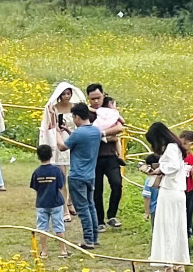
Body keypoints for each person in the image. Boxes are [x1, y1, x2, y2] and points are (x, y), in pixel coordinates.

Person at [144, 121, 191, 272]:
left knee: (166, 226)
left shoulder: (171, 147)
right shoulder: (176, 147)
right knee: (177, 226)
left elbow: (172, 167)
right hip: (178, 191)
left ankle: (168, 264)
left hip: (170, 191)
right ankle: (178, 262)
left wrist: (157, 171)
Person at [87, 85, 127, 229]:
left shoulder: (109, 112)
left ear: (103, 96)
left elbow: (119, 128)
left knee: (117, 185)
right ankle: (99, 221)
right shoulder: (87, 113)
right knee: (96, 190)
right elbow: (86, 133)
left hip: (110, 156)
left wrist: (100, 134)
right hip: (94, 157)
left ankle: (112, 215)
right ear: (88, 99)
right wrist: (107, 135)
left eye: (98, 97)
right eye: (93, 99)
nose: (96, 101)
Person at [64, 103, 104, 248]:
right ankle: (94, 237)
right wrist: (69, 131)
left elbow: (63, 147)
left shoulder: (79, 133)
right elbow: (81, 141)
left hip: (77, 176)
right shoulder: (96, 131)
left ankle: (88, 240)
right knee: (90, 206)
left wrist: (57, 133)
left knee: (82, 209)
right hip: (90, 175)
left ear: (77, 117)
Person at [30, 144, 67, 246]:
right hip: (56, 203)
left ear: (38, 156)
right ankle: (63, 250)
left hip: (41, 203)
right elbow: (61, 186)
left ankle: (44, 252)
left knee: (42, 228)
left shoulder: (36, 172)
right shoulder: (57, 171)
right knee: (59, 228)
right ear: (51, 155)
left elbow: (35, 187)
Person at [39, 82, 84, 154]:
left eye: (68, 94)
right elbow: (52, 125)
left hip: (73, 134)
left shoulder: (75, 106)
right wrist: (52, 113)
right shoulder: (54, 108)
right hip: (61, 135)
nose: (66, 96)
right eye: (63, 94)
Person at [179, 128, 193, 245]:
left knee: (188, 213)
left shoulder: (192, 158)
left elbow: (192, 173)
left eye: (185, 144)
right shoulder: (177, 155)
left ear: (191, 144)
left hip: (189, 189)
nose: (182, 146)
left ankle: (187, 236)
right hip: (178, 189)